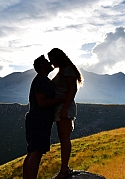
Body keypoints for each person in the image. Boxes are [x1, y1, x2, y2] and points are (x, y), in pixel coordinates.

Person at [23, 55, 67, 179]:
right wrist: (60, 99)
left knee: (32, 151)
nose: (50, 63)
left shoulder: (41, 80)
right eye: (47, 62)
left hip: (36, 120)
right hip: (39, 121)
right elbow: (41, 102)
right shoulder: (41, 81)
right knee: (36, 152)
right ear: (42, 65)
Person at [48, 48, 83, 179]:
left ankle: (64, 169)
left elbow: (72, 90)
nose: (51, 62)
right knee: (63, 138)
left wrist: (65, 109)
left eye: (52, 59)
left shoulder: (67, 70)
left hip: (64, 108)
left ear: (57, 58)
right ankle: (64, 168)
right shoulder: (63, 70)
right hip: (61, 107)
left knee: (64, 139)